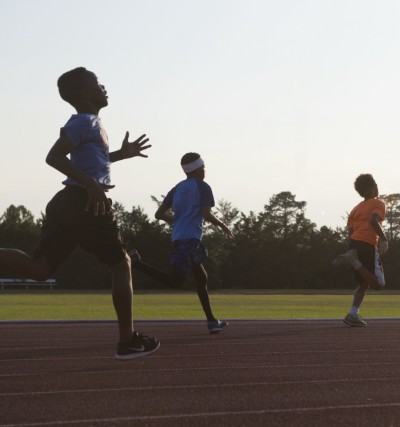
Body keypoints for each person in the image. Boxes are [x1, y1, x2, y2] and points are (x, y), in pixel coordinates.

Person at [0, 67, 160, 360]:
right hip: (85, 203)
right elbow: (53, 157)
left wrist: (120, 156)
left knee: (39, 269)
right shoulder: (83, 122)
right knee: (121, 263)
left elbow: (91, 162)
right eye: (99, 83)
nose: (105, 87)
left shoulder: (91, 124)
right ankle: (128, 341)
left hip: (67, 203)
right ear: (86, 92)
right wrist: (92, 186)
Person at [129, 152, 234, 334]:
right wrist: (223, 225)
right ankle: (137, 263)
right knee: (175, 281)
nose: (205, 170)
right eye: (203, 167)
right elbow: (207, 214)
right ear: (198, 169)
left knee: (201, 278)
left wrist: (176, 221)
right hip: (190, 239)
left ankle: (211, 321)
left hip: (179, 237)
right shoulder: (203, 187)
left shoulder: (176, 188)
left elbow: (159, 214)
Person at [333, 173, 388, 327]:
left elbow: (351, 231)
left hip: (354, 243)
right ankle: (354, 261)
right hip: (367, 244)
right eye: (376, 184)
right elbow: (373, 220)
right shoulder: (379, 204)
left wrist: (354, 247)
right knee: (378, 284)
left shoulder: (355, 208)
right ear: (372, 189)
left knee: (363, 283)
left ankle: (352, 314)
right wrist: (383, 239)